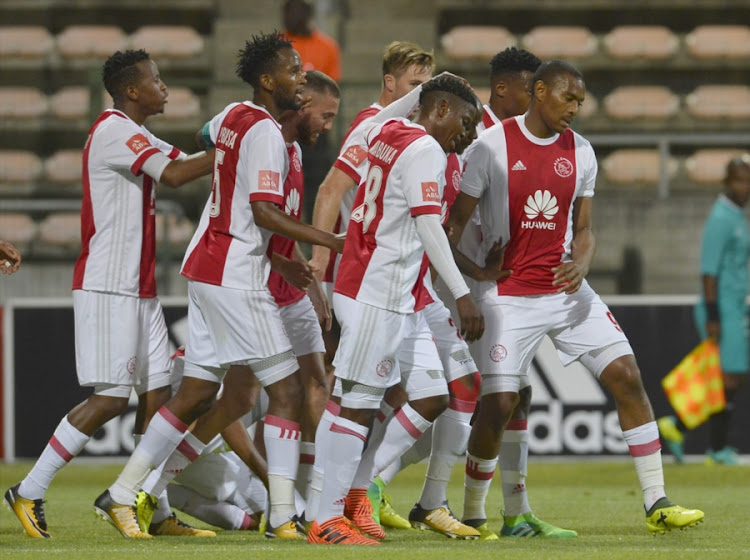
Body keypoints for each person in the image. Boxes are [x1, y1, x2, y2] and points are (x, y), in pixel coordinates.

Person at [93, 32, 343, 540]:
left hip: (204, 268)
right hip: (235, 274)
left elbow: (211, 143)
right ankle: (282, 517)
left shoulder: (231, 114)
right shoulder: (269, 135)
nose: (302, 80)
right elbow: (264, 212)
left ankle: (121, 494)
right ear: (269, 81)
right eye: (295, 71)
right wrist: (333, 242)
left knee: (197, 393)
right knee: (288, 389)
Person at [447, 59, 705, 536]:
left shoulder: (581, 151)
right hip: (508, 295)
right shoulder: (490, 147)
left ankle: (657, 502)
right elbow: (452, 228)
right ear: (539, 91)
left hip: (566, 291)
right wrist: (474, 276)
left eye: (581, 102)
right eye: (569, 98)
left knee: (627, 375)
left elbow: (584, 230)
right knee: (500, 404)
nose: (575, 109)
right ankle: (474, 513)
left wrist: (581, 263)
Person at [4, 49, 215, 539]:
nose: (164, 87)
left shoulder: (136, 133)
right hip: (107, 286)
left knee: (160, 395)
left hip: (139, 290)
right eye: (156, 80)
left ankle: (152, 509)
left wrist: (225, 150)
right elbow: (181, 174)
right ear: (132, 91)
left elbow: (185, 162)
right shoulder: (114, 130)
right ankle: (30, 490)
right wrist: (236, 145)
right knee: (111, 398)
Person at [404, 47, 577, 540]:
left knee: (510, 395)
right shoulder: (469, 138)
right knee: (461, 397)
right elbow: (441, 225)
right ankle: (382, 484)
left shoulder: (523, 143)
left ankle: (512, 511)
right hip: (464, 288)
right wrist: (472, 278)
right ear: (506, 89)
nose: (540, 96)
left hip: (489, 286)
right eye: (532, 87)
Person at [307, 75, 485, 546]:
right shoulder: (425, 148)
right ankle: (324, 517)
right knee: (357, 406)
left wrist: (426, 87)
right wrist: (462, 292)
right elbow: (429, 225)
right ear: (442, 109)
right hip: (377, 291)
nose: (465, 134)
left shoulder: (383, 131)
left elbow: (390, 114)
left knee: (425, 393)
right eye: (464, 121)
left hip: (387, 292)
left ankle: (338, 500)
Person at [304, 40, 435, 530]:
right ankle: (323, 507)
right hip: (370, 281)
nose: (421, 95)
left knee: (426, 395)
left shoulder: (418, 132)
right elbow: (332, 189)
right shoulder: (372, 126)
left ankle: (356, 489)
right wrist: (320, 260)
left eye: (428, 84)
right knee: (352, 398)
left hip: (409, 285)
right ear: (390, 84)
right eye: (414, 85)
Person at [658, 153, 750, 465]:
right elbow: (709, 271)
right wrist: (713, 314)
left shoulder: (737, 216)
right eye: (739, 179)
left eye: (748, 179)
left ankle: (678, 426)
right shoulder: (721, 219)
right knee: (729, 378)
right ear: (727, 182)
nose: (745, 186)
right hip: (721, 308)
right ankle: (716, 449)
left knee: (730, 376)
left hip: (735, 307)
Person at [281, 0, 342, 222]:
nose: (289, 17)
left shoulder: (328, 46)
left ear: (306, 13)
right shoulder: (278, 44)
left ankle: (313, 237)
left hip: (313, 130)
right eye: (286, 12)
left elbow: (331, 90)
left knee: (316, 184)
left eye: (294, 11)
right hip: (286, 126)